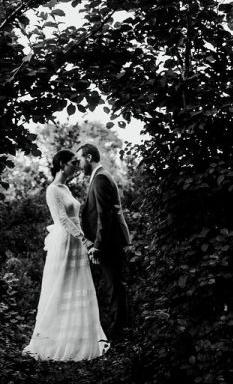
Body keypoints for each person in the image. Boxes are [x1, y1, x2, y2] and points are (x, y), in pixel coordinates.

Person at [22, 149, 108, 361]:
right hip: (66, 243)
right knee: (60, 287)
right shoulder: (52, 190)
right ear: (61, 164)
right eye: (72, 162)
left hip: (76, 242)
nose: (76, 166)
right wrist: (85, 240)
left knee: (77, 286)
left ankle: (77, 338)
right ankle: (51, 341)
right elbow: (61, 219)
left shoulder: (65, 188)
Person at [77, 143, 132, 340]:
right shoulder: (101, 176)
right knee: (113, 289)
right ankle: (118, 334)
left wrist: (97, 246)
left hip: (108, 245)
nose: (79, 164)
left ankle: (118, 338)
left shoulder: (100, 179)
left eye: (80, 160)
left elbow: (104, 216)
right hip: (110, 243)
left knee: (114, 290)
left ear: (89, 158)